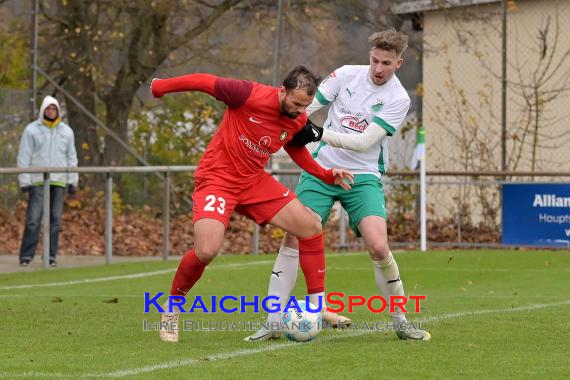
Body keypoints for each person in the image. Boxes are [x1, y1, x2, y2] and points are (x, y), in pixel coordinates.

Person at [245, 30, 431, 341]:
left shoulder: (398, 98)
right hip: (321, 170)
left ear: (399, 62)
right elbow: (305, 106)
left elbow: (363, 142)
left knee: (378, 245)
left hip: (363, 176)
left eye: (386, 62)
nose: (378, 68)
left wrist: (315, 133)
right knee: (293, 237)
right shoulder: (346, 75)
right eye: (374, 60)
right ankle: (273, 321)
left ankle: (400, 320)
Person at [150, 66, 354, 343]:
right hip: (218, 179)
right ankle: (171, 310)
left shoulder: (297, 118)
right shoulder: (247, 94)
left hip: (253, 182)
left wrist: (326, 174)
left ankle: (317, 306)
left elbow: (295, 148)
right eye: (295, 103)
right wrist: (161, 87)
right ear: (282, 91)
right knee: (207, 250)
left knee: (310, 226)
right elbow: (204, 80)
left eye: (305, 106)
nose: (299, 111)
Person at [17, 95, 78, 267]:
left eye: (54, 109)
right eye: (48, 109)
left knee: (55, 219)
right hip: (38, 181)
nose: (51, 112)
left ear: (58, 111)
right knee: (33, 219)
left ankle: (50, 255)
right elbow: (24, 156)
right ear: (43, 110)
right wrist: (24, 181)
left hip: (58, 181)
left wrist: (72, 180)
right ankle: (26, 256)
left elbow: (71, 158)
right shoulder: (31, 130)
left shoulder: (67, 131)